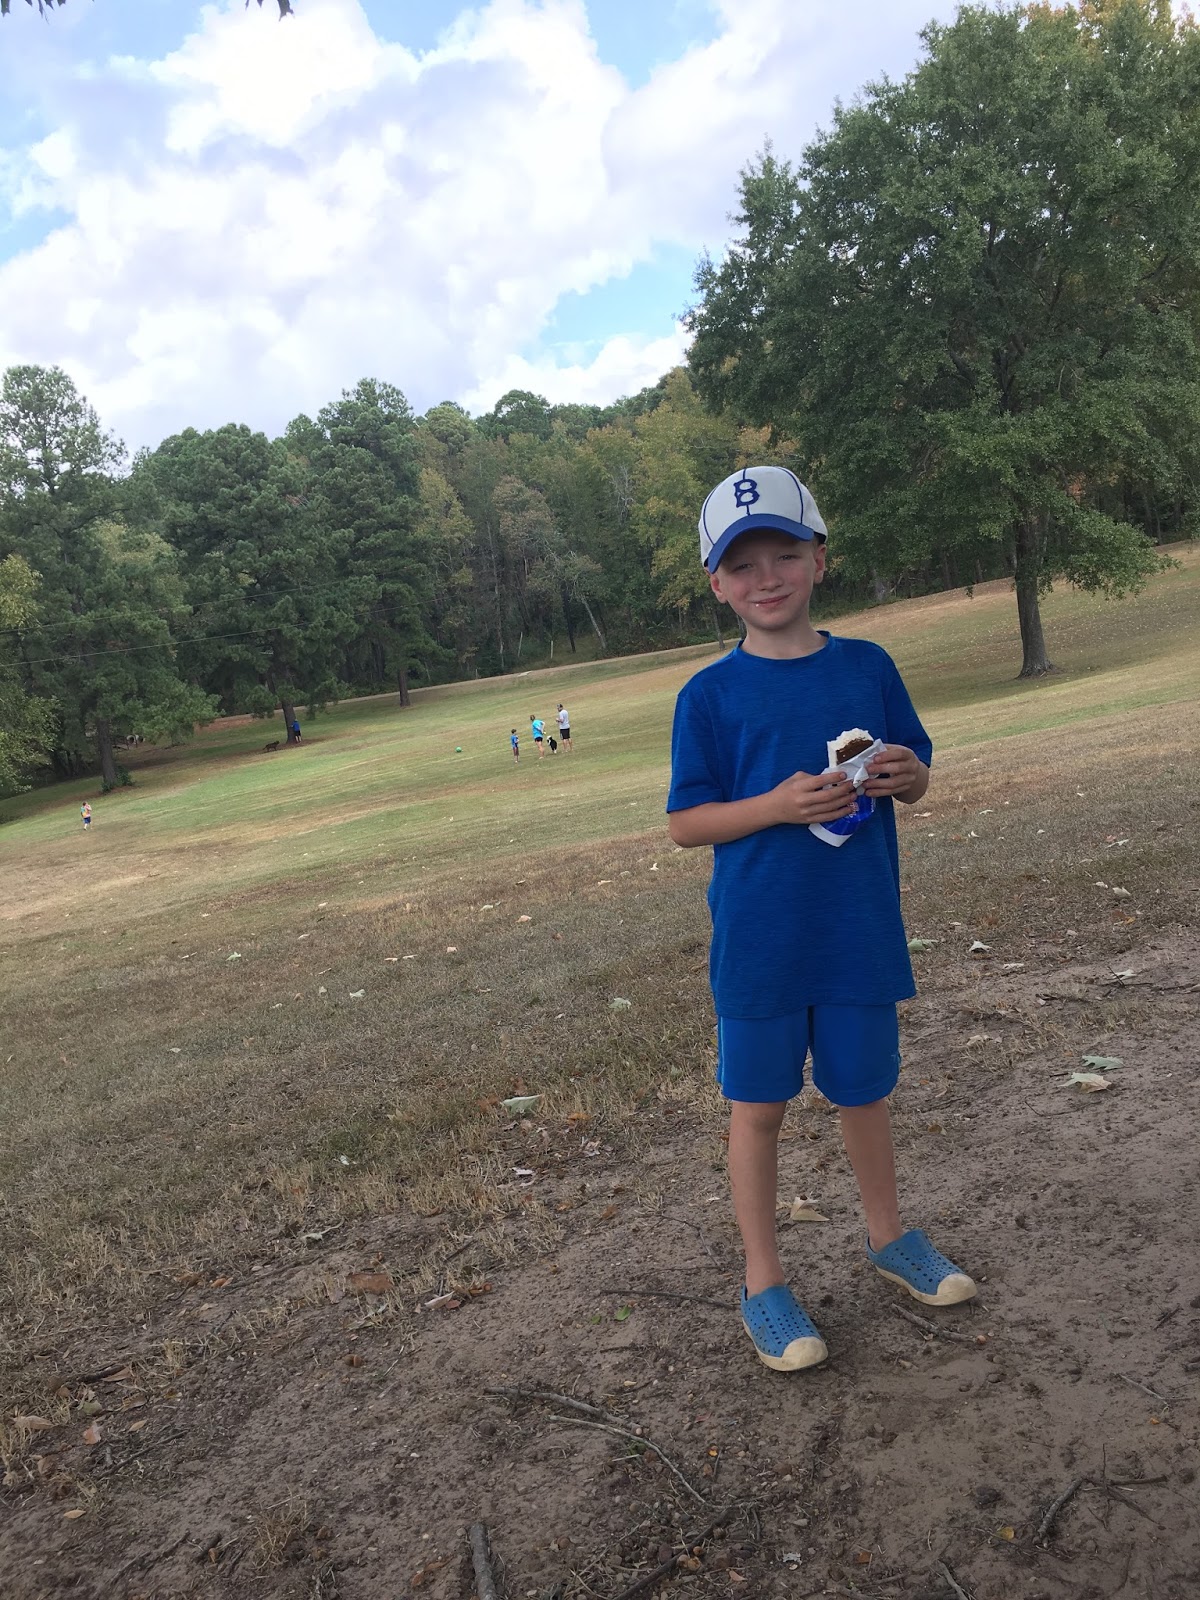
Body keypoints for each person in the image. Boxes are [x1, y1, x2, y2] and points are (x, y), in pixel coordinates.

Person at [667, 465, 975, 1374]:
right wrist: (775, 805)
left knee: (863, 1092)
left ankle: (889, 1237)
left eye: (785, 555)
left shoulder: (867, 667)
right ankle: (763, 1281)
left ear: (820, 560)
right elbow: (687, 823)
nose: (766, 578)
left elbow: (915, 767)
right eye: (742, 564)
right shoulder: (708, 696)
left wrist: (909, 775)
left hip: (856, 930)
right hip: (762, 943)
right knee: (758, 1107)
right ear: (716, 584)